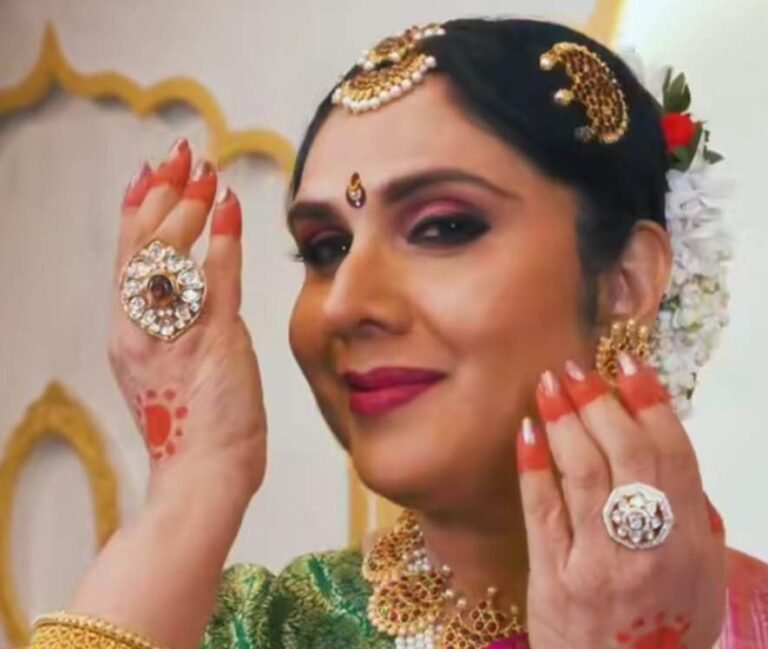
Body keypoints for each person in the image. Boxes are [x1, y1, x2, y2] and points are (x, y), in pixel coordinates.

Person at [27, 17, 768, 649]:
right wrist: (194, 484)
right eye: (325, 248)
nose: (346, 304)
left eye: (443, 227)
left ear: (624, 282)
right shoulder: (253, 630)